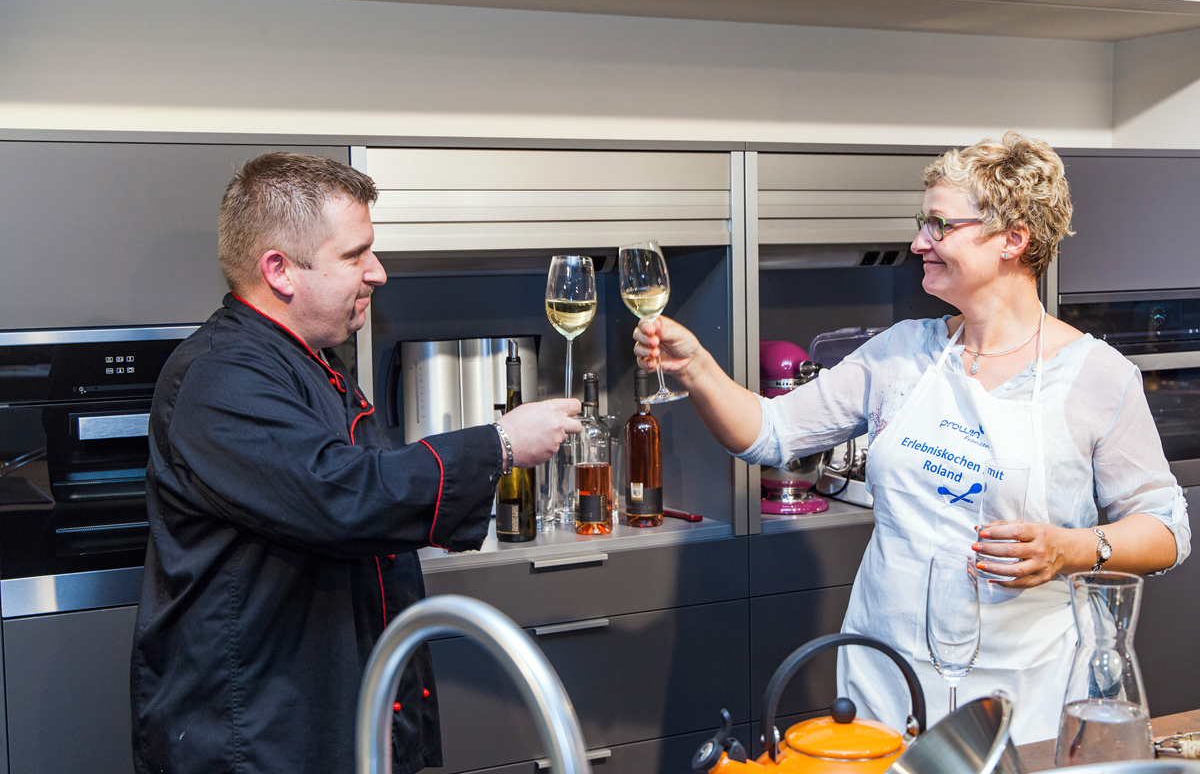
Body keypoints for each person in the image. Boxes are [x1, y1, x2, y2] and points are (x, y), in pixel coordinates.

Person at [633, 132, 1190, 743]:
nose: (919, 242)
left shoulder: (1098, 376)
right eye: (922, 223)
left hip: (1024, 691)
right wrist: (698, 368)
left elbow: (1165, 529)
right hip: (886, 676)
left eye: (939, 225)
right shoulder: (900, 354)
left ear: (1013, 239)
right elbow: (771, 434)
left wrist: (1073, 548)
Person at [131, 152, 581, 774]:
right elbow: (340, 496)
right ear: (280, 271)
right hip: (256, 739)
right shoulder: (219, 377)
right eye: (355, 255)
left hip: (329, 714)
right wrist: (499, 444)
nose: (378, 272)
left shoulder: (310, 363)